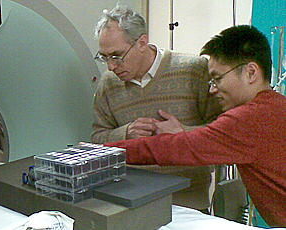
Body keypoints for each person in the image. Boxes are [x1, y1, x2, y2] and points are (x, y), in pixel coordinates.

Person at [104, 25, 286, 227]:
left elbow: (173, 148)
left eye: (217, 79)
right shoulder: (277, 106)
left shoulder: (248, 118)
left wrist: (101, 153)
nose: (212, 89)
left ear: (251, 72)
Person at [91, 4, 222, 212]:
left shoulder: (194, 71)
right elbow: (96, 140)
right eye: (104, 57)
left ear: (142, 42)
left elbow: (223, 136)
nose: (110, 66)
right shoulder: (108, 84)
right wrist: (125, 133)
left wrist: (183, 134)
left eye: (116, 56)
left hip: (188, 203)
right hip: (129, 203)